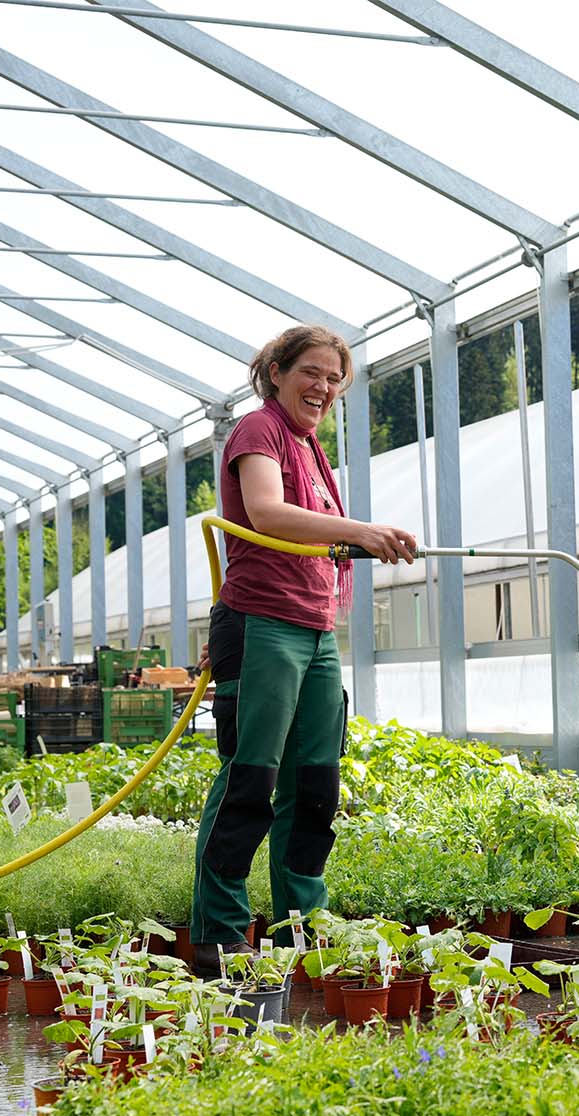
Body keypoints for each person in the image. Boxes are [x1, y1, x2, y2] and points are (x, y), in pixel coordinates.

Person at [190, 325, 416, 971]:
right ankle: (221, 932)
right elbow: (265, 512)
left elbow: (314, 532)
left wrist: (357, 538)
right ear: (277, 372)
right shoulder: (258, 431)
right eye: (311, 372)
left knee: (315, 785)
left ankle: (301, 927)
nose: (322, 387)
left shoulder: (309, 447)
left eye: (333, 378)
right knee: (250, 780)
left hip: (314, 630)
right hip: (263, 623)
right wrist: (365, 531)